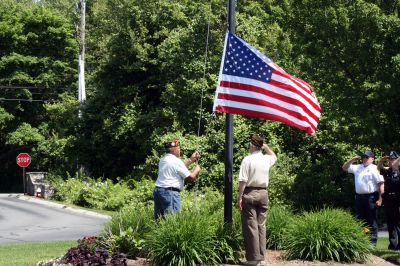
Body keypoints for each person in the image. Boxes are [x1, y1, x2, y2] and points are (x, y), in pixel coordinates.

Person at [238, 133, 277, 266]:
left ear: (252, 146)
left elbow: (242, 181)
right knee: (261, 226)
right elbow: (274, 156)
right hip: (263, 193)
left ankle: (253, 259)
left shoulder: (247, 160)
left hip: (250, 192)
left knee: (251, 226)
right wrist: (265, 146)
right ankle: (262, 259)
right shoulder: (266, 159)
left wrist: (239, 197)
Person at [342, 150, 384, 246]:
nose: (365, 159)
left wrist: (380, 199)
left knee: (372, 220)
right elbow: (344, 168)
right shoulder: (358, 167)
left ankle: (372, 244)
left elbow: (381, 184)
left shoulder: (375, 168)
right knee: (361, 221)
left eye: (367, 157)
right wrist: (352, 159)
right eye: (364, 157)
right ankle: (363, 242)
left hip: (371, 197)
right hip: (359, 198)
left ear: (372, 159)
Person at [153, 139, 200, 219]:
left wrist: (191, 159)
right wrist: (196, 170)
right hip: (170, 193)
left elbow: (178, 167)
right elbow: (190, 179)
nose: (179, 150)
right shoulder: (176, 161)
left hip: (158, 191)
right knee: (173, 221)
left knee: (160, 220)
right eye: (179, 148)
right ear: (175, 149)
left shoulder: (163, 159)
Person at [377, 151, 400, 251]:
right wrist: (381, 160)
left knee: (398, 223)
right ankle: (393, 245)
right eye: (390, 159)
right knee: (390, 224)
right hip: (388, 200)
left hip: (398, 200)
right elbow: (378, 169)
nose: (391, 161)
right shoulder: (387, 171)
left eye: (393, 159)